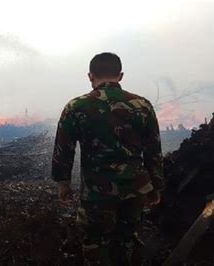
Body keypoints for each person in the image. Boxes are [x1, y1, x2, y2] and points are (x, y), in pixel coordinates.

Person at [51, 53, 164, 265]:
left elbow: (63, 148)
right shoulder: (143, 105)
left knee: (95, 246)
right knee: (125, 243)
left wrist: (63, 183)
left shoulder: (77, 106)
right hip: (135, 190)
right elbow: (153, 150)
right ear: (120, 76)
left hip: (97, 193)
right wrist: (156, 186)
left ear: (90, 76)